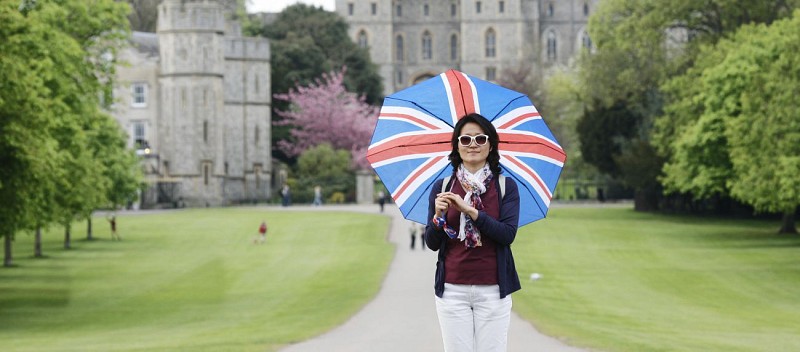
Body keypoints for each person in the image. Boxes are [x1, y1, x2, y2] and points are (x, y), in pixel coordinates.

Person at [424, 113, 521, 352]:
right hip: (452, 290)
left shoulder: (505, 186)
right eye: (465, 139)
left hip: (493, 290)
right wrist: (438, 217)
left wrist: (471, 211)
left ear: (491, 145)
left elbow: (507, 235)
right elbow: (432, 242)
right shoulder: (443, 187)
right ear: (457, 145)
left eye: (480, 138)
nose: (473, 145)